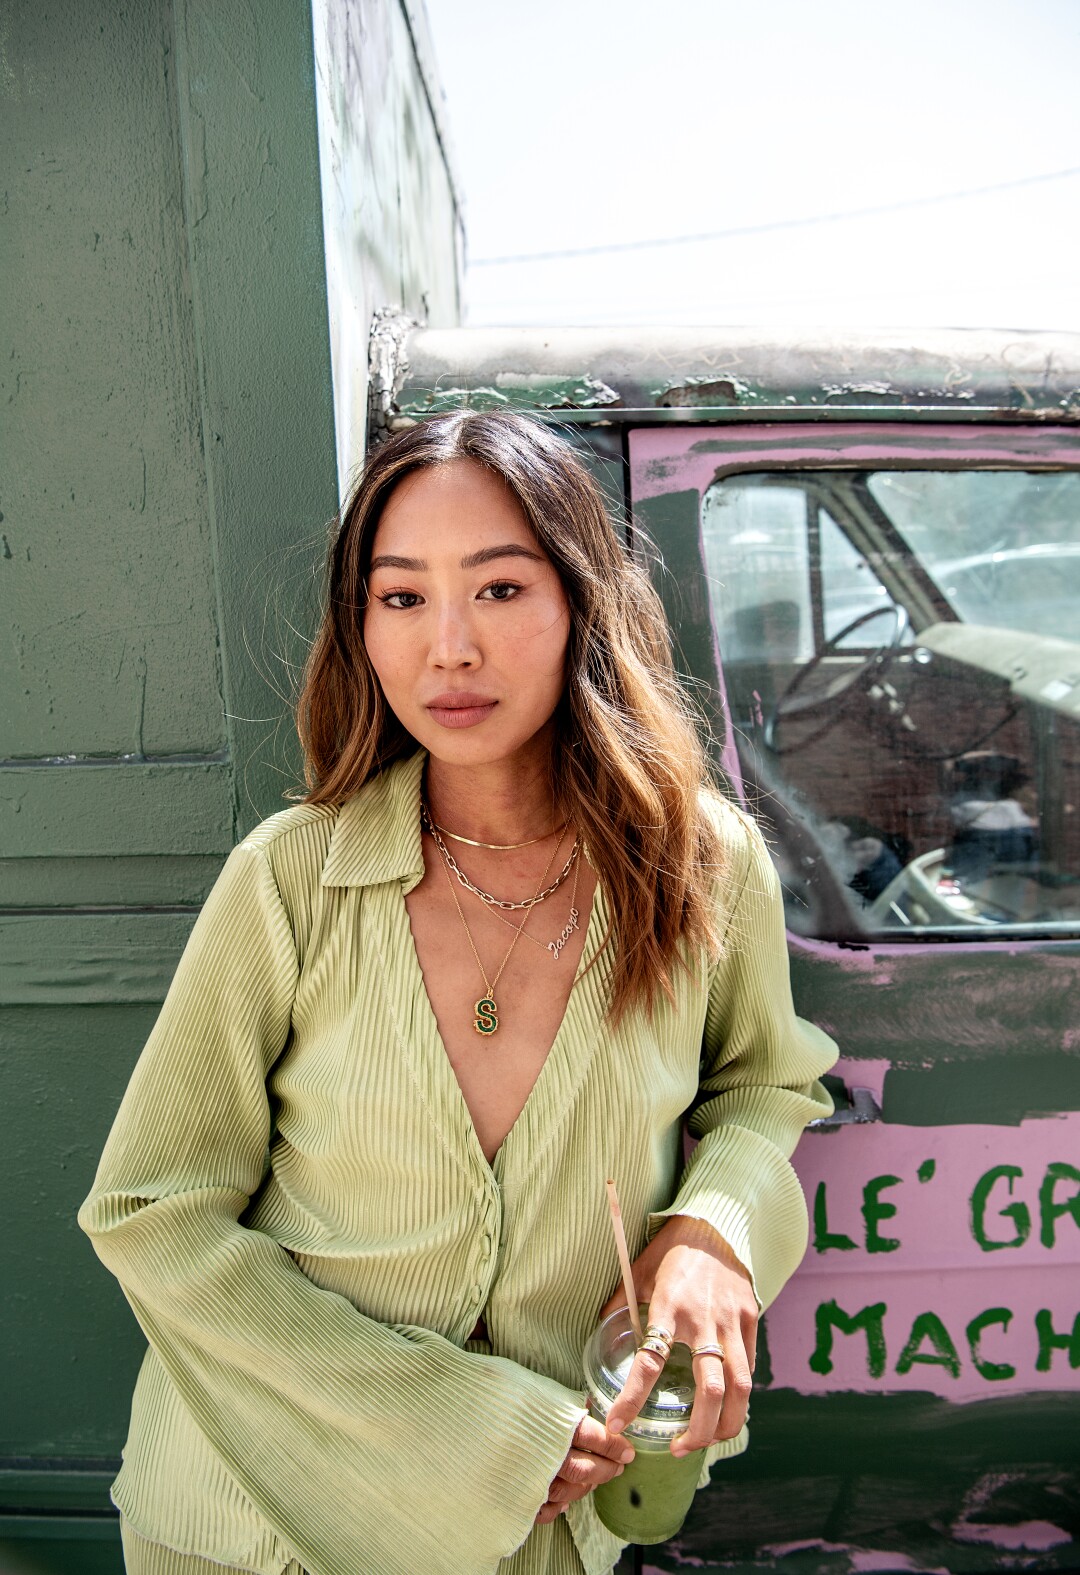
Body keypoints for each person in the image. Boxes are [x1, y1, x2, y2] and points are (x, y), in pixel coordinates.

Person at [79, 411, 837, 1575]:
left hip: (546, 1532)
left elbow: (765, 1087)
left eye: (497, 590)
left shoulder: (703, 866)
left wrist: (712, 1227)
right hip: (250, 1527)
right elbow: (152, 1211)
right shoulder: (290, 881)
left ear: (582, 601)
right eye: (401, 598)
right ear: (362, 629)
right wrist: (465, 1432)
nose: (450, 649)